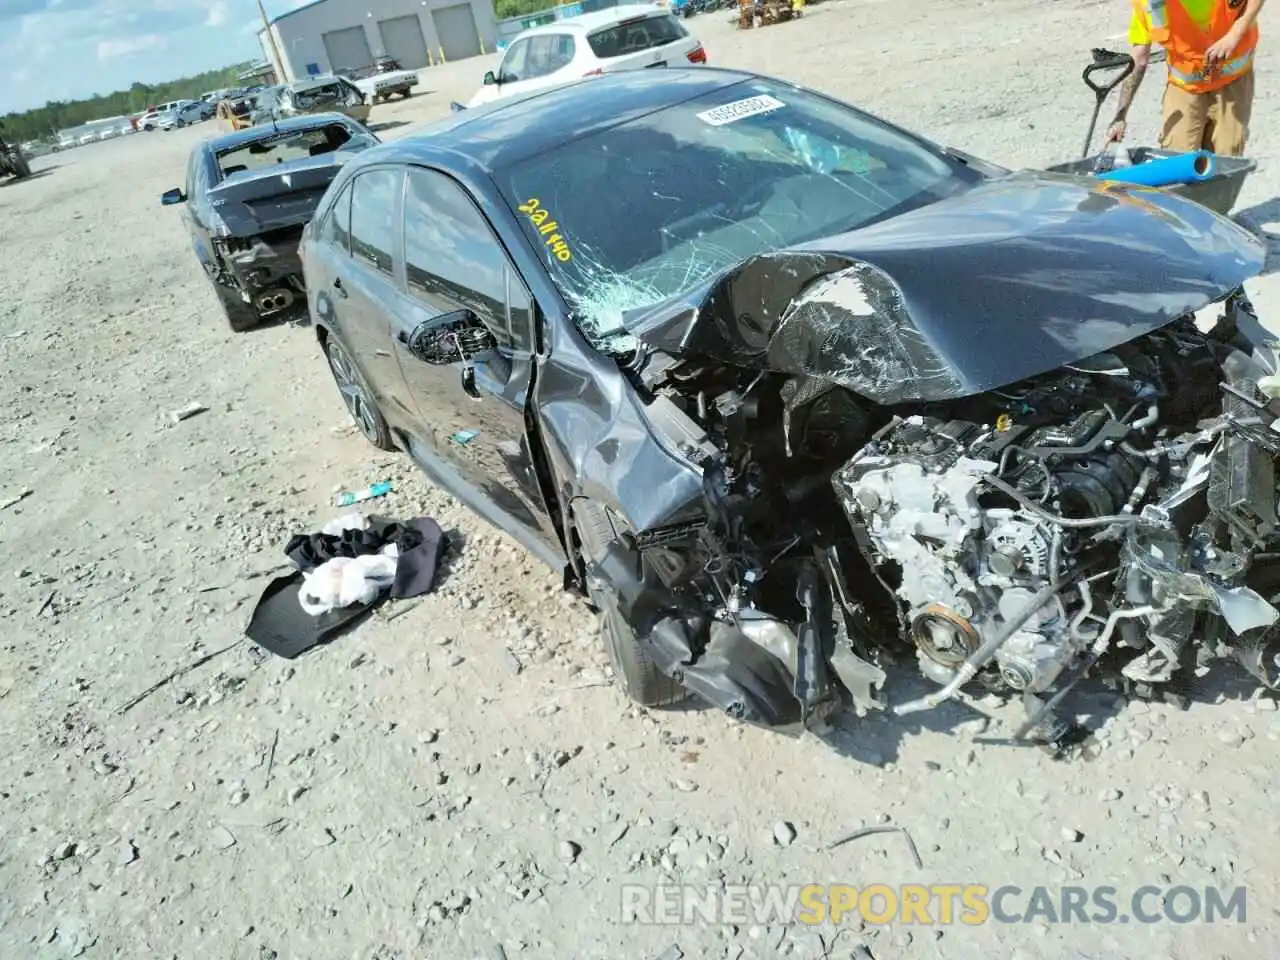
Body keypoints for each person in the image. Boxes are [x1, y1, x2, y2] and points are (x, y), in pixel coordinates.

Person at [1104, 0, 1266, 157]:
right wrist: (1120, 115)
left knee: (1226, 156)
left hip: (1231, 82)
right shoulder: (1147, 4)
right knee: (1177, 158)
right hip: (1184, 86)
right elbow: (1138, 60)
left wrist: (1234, 35)